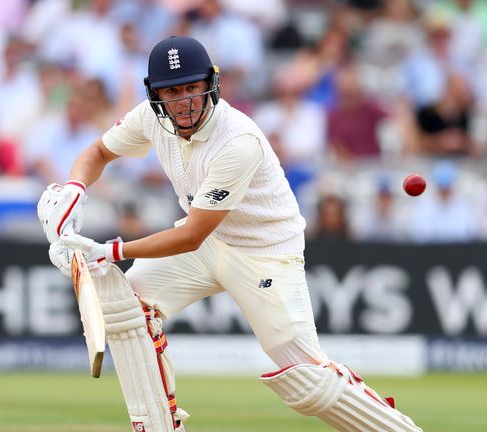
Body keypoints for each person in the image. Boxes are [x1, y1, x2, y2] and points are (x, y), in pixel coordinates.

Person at [36, 36, 422, 432]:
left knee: (307, 379)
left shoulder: (238, 139)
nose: (184, 101)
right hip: (207, 244)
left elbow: (192, 234)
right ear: (155, 95)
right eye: (172, 91)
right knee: (126, 306)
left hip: (264, 252)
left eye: (192, 88)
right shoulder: (149, 118)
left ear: (211, 85)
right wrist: (75, 189)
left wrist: (110, 251)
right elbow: (97, 153)